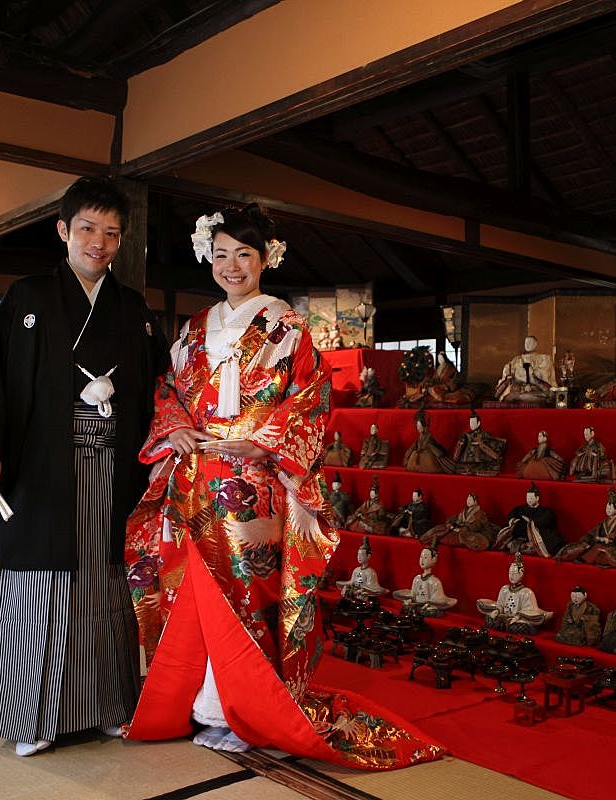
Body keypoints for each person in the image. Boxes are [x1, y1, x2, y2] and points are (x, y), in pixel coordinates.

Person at [122, 205, 440, 767]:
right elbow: (168, 388)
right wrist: (176, 429)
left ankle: (251, 712)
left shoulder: (288, 326)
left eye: (244, 254)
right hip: (194, 478)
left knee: (250, 593)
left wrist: (264, 443)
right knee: (191, 589)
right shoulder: (194, 327)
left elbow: (310, 399)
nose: (232, 266)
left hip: (252, 480)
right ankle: (208, 706)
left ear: (265, 258)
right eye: (221, 254)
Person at [0, 177, 170, 757]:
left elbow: (160, 388)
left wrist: (167, 449)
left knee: (106, 587)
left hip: (114, 470)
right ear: (63, 230)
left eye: (112, 233)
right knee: (41, 590)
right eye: (88, 229)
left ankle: (110, 706)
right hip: (41, 472)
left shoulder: (132, 309)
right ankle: (32, 719)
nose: (99, 242)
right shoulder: (27, 297)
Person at [556, 488, 616, 570]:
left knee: (606, 553)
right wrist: (586, 542)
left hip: (612, 548)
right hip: (599, 546)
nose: (608, 510)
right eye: (607, 507)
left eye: (611, 507)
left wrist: (609, 542)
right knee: (586, 549)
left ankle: (606, 558)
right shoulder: (602, 523)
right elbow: (591, 534)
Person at [476, 553, 553, 634]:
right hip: (504, 617)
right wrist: (497, 611)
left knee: (517, 627)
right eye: (509, 573)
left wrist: (518, 616)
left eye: (514, 574)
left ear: (521, 574)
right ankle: (504, 625)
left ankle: (506, 626)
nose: (511, 576)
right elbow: (500, 604)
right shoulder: (504, 589)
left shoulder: (527, 592)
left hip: (517, 620)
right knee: (489, 620)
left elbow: (530, 610)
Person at [492, 483, 564, 557]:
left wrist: (530, 522)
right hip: (520, 533)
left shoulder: (546, 511)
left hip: (536, 534)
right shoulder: (520, 509)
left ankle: (529, 547)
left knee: (548, 537)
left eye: (531, 498)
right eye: (528, 498)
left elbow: (544, 521)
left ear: (537, 498)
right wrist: (512, 520)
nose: (529, 500)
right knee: (506, 533)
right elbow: (512, 515)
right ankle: (519, 546)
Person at [392, 547, 457, 617]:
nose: (422, 560)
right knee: (406, 607)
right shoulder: (417, 579)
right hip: (416, 605)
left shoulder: (435, 582)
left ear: (434, 560)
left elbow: (437, 599)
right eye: (421, 557)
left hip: (426, 606)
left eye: (425, 557)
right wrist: (410, 600)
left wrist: (429, 603)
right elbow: (413, 595)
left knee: (429, 611)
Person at [420, 491, 496, 551]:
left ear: (475, 501)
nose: (468, 501)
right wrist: (450, 523)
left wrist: (463, 529)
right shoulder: (464, 511)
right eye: (468, 499)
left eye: (470, 500)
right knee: (441, 530)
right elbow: (456, 518)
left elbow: (476, 526)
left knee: (468, 538)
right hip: (460, 529)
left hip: (473, 532)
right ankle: (433, 540)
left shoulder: (480, 513)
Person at [494, 335, 557, 405]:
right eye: (526, 342)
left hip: (537, 390)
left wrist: (525, 375)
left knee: (543, 396)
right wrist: (512, 377)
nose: (527, 344)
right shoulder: (516, 360)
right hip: (518, 390)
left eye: (530, 342)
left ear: (535, 344)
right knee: (510, 396)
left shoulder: (544, 359)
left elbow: (542, 375)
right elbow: (508, 374)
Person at [452, 410, 506, 476]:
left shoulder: (483, 434)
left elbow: (490, 441)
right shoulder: (467, 435)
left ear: (479, 423)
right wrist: (461, 443)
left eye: (473, 423)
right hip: (468, 457)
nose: (472, 425)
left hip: (481, 457)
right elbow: (460, 447)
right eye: (470, 423)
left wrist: (480, 443)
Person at [402, 409, 455, 473]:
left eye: (419, 426)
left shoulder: (428, 436)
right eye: (417, 426)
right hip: (418, 456)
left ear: (424, 426)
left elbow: (433, 447)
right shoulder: (420, 437)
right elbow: (414, 445)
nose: (418, 428)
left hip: (427, 457)